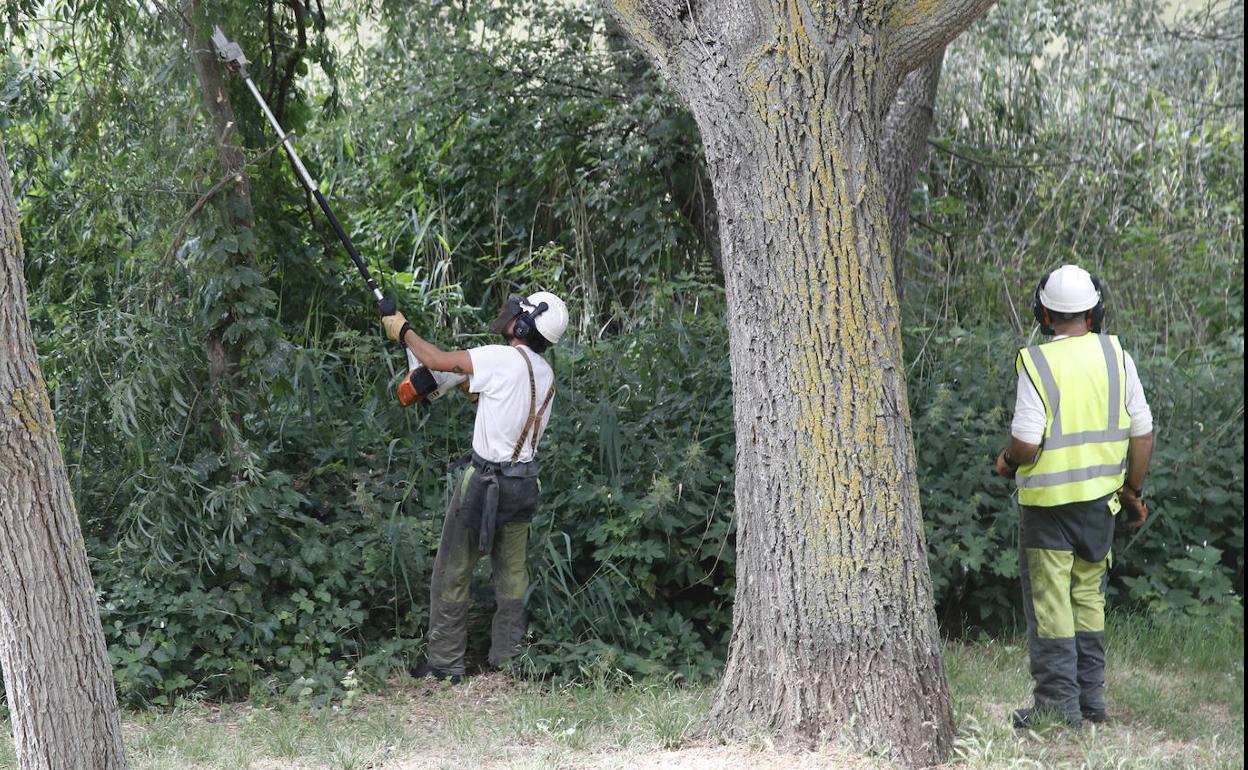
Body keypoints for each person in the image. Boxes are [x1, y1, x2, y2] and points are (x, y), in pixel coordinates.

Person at [994, 265, 1154, 729]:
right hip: (1099, 506)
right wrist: (1133, 493)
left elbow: (1025, 441)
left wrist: (1006, 461)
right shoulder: (1115, 355)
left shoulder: (1037, 362)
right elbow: (1142, 434)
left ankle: (1057, 708)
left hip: (1047, 509)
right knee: (1087, 599)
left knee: (1051, 604)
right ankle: (1091, 703)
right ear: (1094, 311)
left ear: (1044, 313)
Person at [382, 291, 569, 683]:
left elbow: (433, 361)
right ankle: (509, 661)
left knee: (452, 570)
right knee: (512, 575)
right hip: (522, 486)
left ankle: (446, 664)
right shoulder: (544, 375)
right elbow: (500, 404)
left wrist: (403, 332)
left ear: (522, 324)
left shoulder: (500, 359)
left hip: (483, 483)